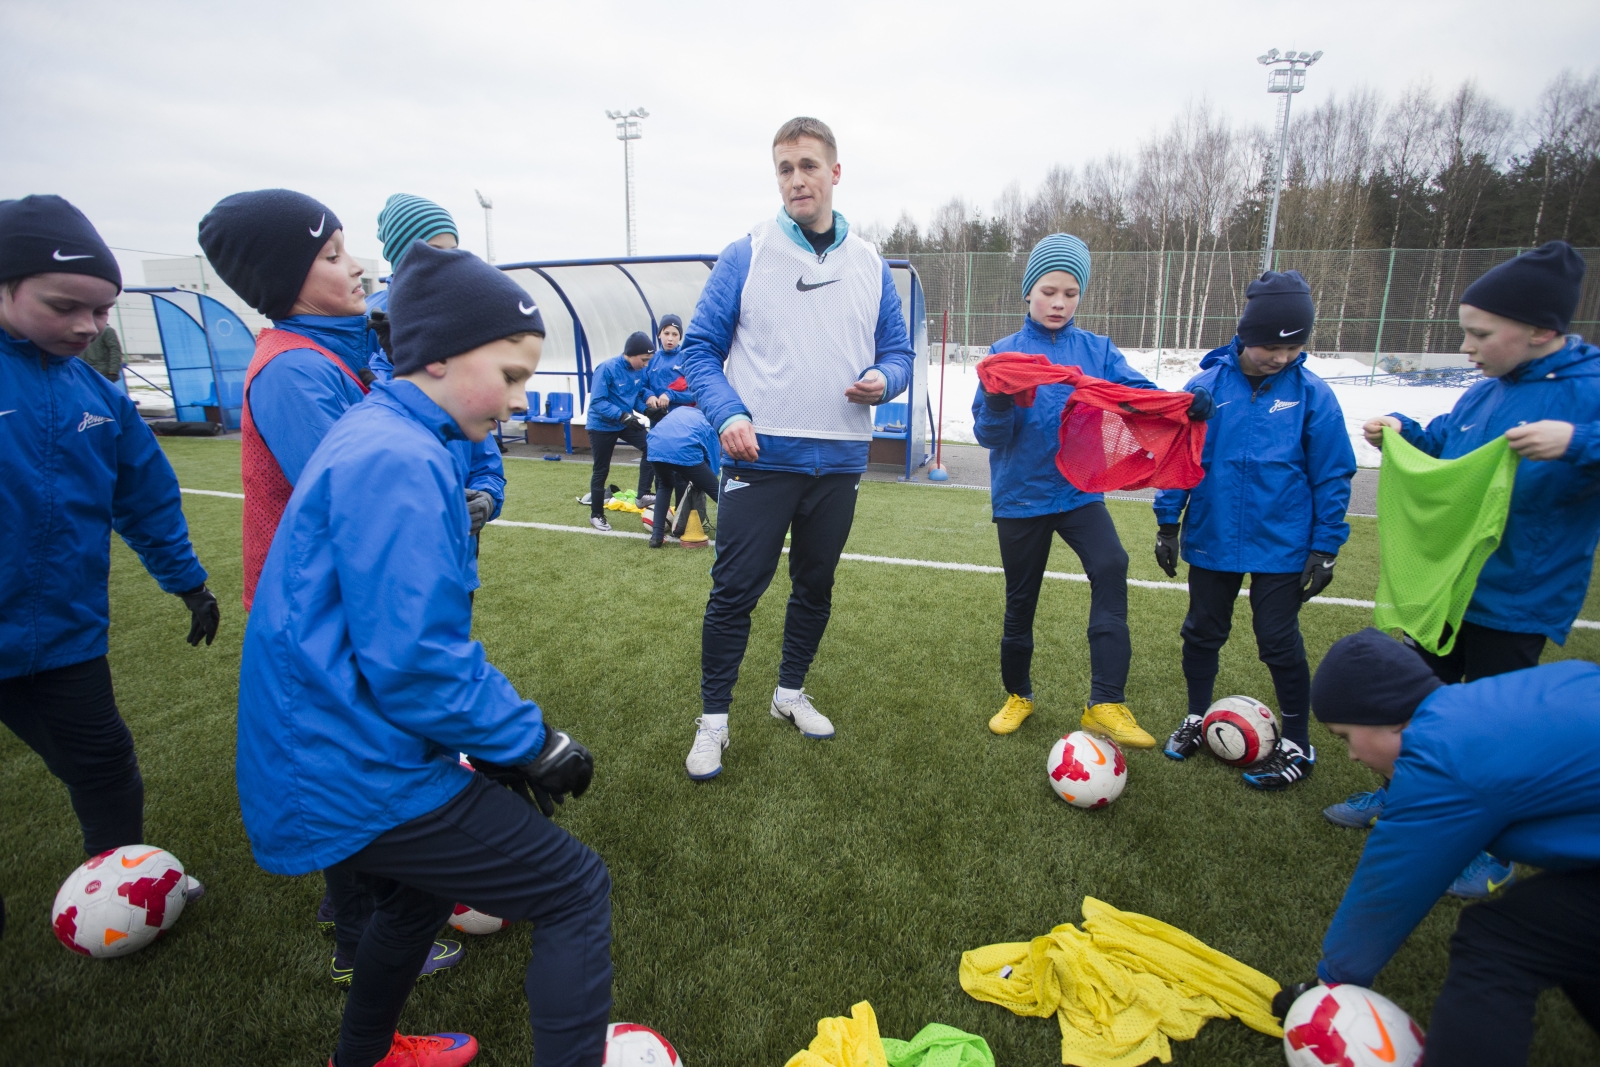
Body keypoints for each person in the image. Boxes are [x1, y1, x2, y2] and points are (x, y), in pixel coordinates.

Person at [237, 243, 609, 1067]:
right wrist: (531, 743)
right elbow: (415, 662)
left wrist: (489, 739)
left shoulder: (386, 430)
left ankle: (363, 1055)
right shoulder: (400, 458)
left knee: (423, 890)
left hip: (334, 746)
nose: (518, 402)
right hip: (348, 763)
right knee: (576, 887)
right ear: (436, 355)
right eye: (510, 376)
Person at [199, 190, 462, 981]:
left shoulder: (337, 354)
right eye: (331, 254)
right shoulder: (293, 371)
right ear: (285, 279)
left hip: (340, 604)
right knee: (352, 766)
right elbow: (358, 497)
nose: (357, 267)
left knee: (365, 755)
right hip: (321, 613)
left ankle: (355, 901)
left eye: (349, 249)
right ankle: (360, 940)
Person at [1326, 242, 1600, 859]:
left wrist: (1579, 441)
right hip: (1447, 587)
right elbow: (1448, 445)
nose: (1468, 348)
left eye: (1480, 334)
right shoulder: (1484, 392)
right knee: (1420, 707)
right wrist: (1404, 429)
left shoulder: (1588, 391)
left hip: (1519, 595)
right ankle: (1407, 797)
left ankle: (1491, 849)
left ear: (1539, 330)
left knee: (1498, 733)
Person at [678, 115, 914, 780]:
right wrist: (727, 411)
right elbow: (699, 349)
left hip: (839, 461)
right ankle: (713, 723)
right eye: (784, 168)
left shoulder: (870, 262)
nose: (796, 179)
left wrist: (885, 379)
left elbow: (898, 351)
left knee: (814, 586)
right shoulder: (747, 252)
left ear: (834, 172)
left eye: (808, 165)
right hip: (760, 458)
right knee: (735, 592)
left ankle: (788, 694)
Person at [0, 195, 219, 882]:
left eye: (100, 310)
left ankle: (113, 885)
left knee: (104, 765)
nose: (87, 325)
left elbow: (146, 499)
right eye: (65, 305)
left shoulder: (100, 396)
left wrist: (187, 580)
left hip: (64, 636)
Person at [1282, 628, 1600, 1067]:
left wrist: (1330, 986)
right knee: (1558, 927)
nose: (1352, 755)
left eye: (1345, 736)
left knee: (1497, 943)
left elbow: (1388, 887)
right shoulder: (1477, 705)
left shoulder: (1440, 756)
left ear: (1390, 718)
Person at [973, 233, 1192, 748]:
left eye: (1070, 293)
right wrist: (1000, 399)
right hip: (1021, 497)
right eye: (1049, 290)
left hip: (1078, 493)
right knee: (1021, 601)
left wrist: (1185, 404)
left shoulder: (1097, 350)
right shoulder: (1005, 353)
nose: (1059, 302)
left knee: (1112, 564)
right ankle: (1018, 695)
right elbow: (990, 436)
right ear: (1028, 291)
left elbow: (1139, 396)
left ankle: (1105, 702)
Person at [1154, 271, 1355, 790]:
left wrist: (1325, 546)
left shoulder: (1313, 394)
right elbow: (1178, 459)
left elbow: (1333, 472)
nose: (1281, 357)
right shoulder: (1204, 388)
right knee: (1201, 631)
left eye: (1294, 347)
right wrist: (1167, 524)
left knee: (1277, 640)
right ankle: (1198, 717)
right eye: (1270, 345)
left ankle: (1297, 744)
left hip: (1284, 542)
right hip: (1215, 534)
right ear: (1244, 335)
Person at [366, 194, 505, 596]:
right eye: (432, 251)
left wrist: (487, 499)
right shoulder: (365, 335)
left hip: (459, 558)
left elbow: (485, 459)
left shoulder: (461, 335)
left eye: (452, 252)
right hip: (390, 567)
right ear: (398, 258)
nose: (445, 264)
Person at [583, 330, 656, 531]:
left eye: (648, 360)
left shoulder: (639, 370)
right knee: (601, 469)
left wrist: (648, 410)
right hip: (602, 425)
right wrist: (622, 416)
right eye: (643, 359)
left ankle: (642, 495)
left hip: (623, 422)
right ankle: (596, 514)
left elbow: (637, 395)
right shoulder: (606, 369)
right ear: (630, 354)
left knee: (651, 446)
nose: (645, 364)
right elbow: (597, 402)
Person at [644, 405, 721, 549]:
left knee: (664, 485)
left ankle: (656, 537)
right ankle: (738, 531)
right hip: (685, 450)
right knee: (718, 493)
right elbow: (713, 459)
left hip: (655, 447)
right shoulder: (709, 421)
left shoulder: (678, 410)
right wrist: (705, 480)